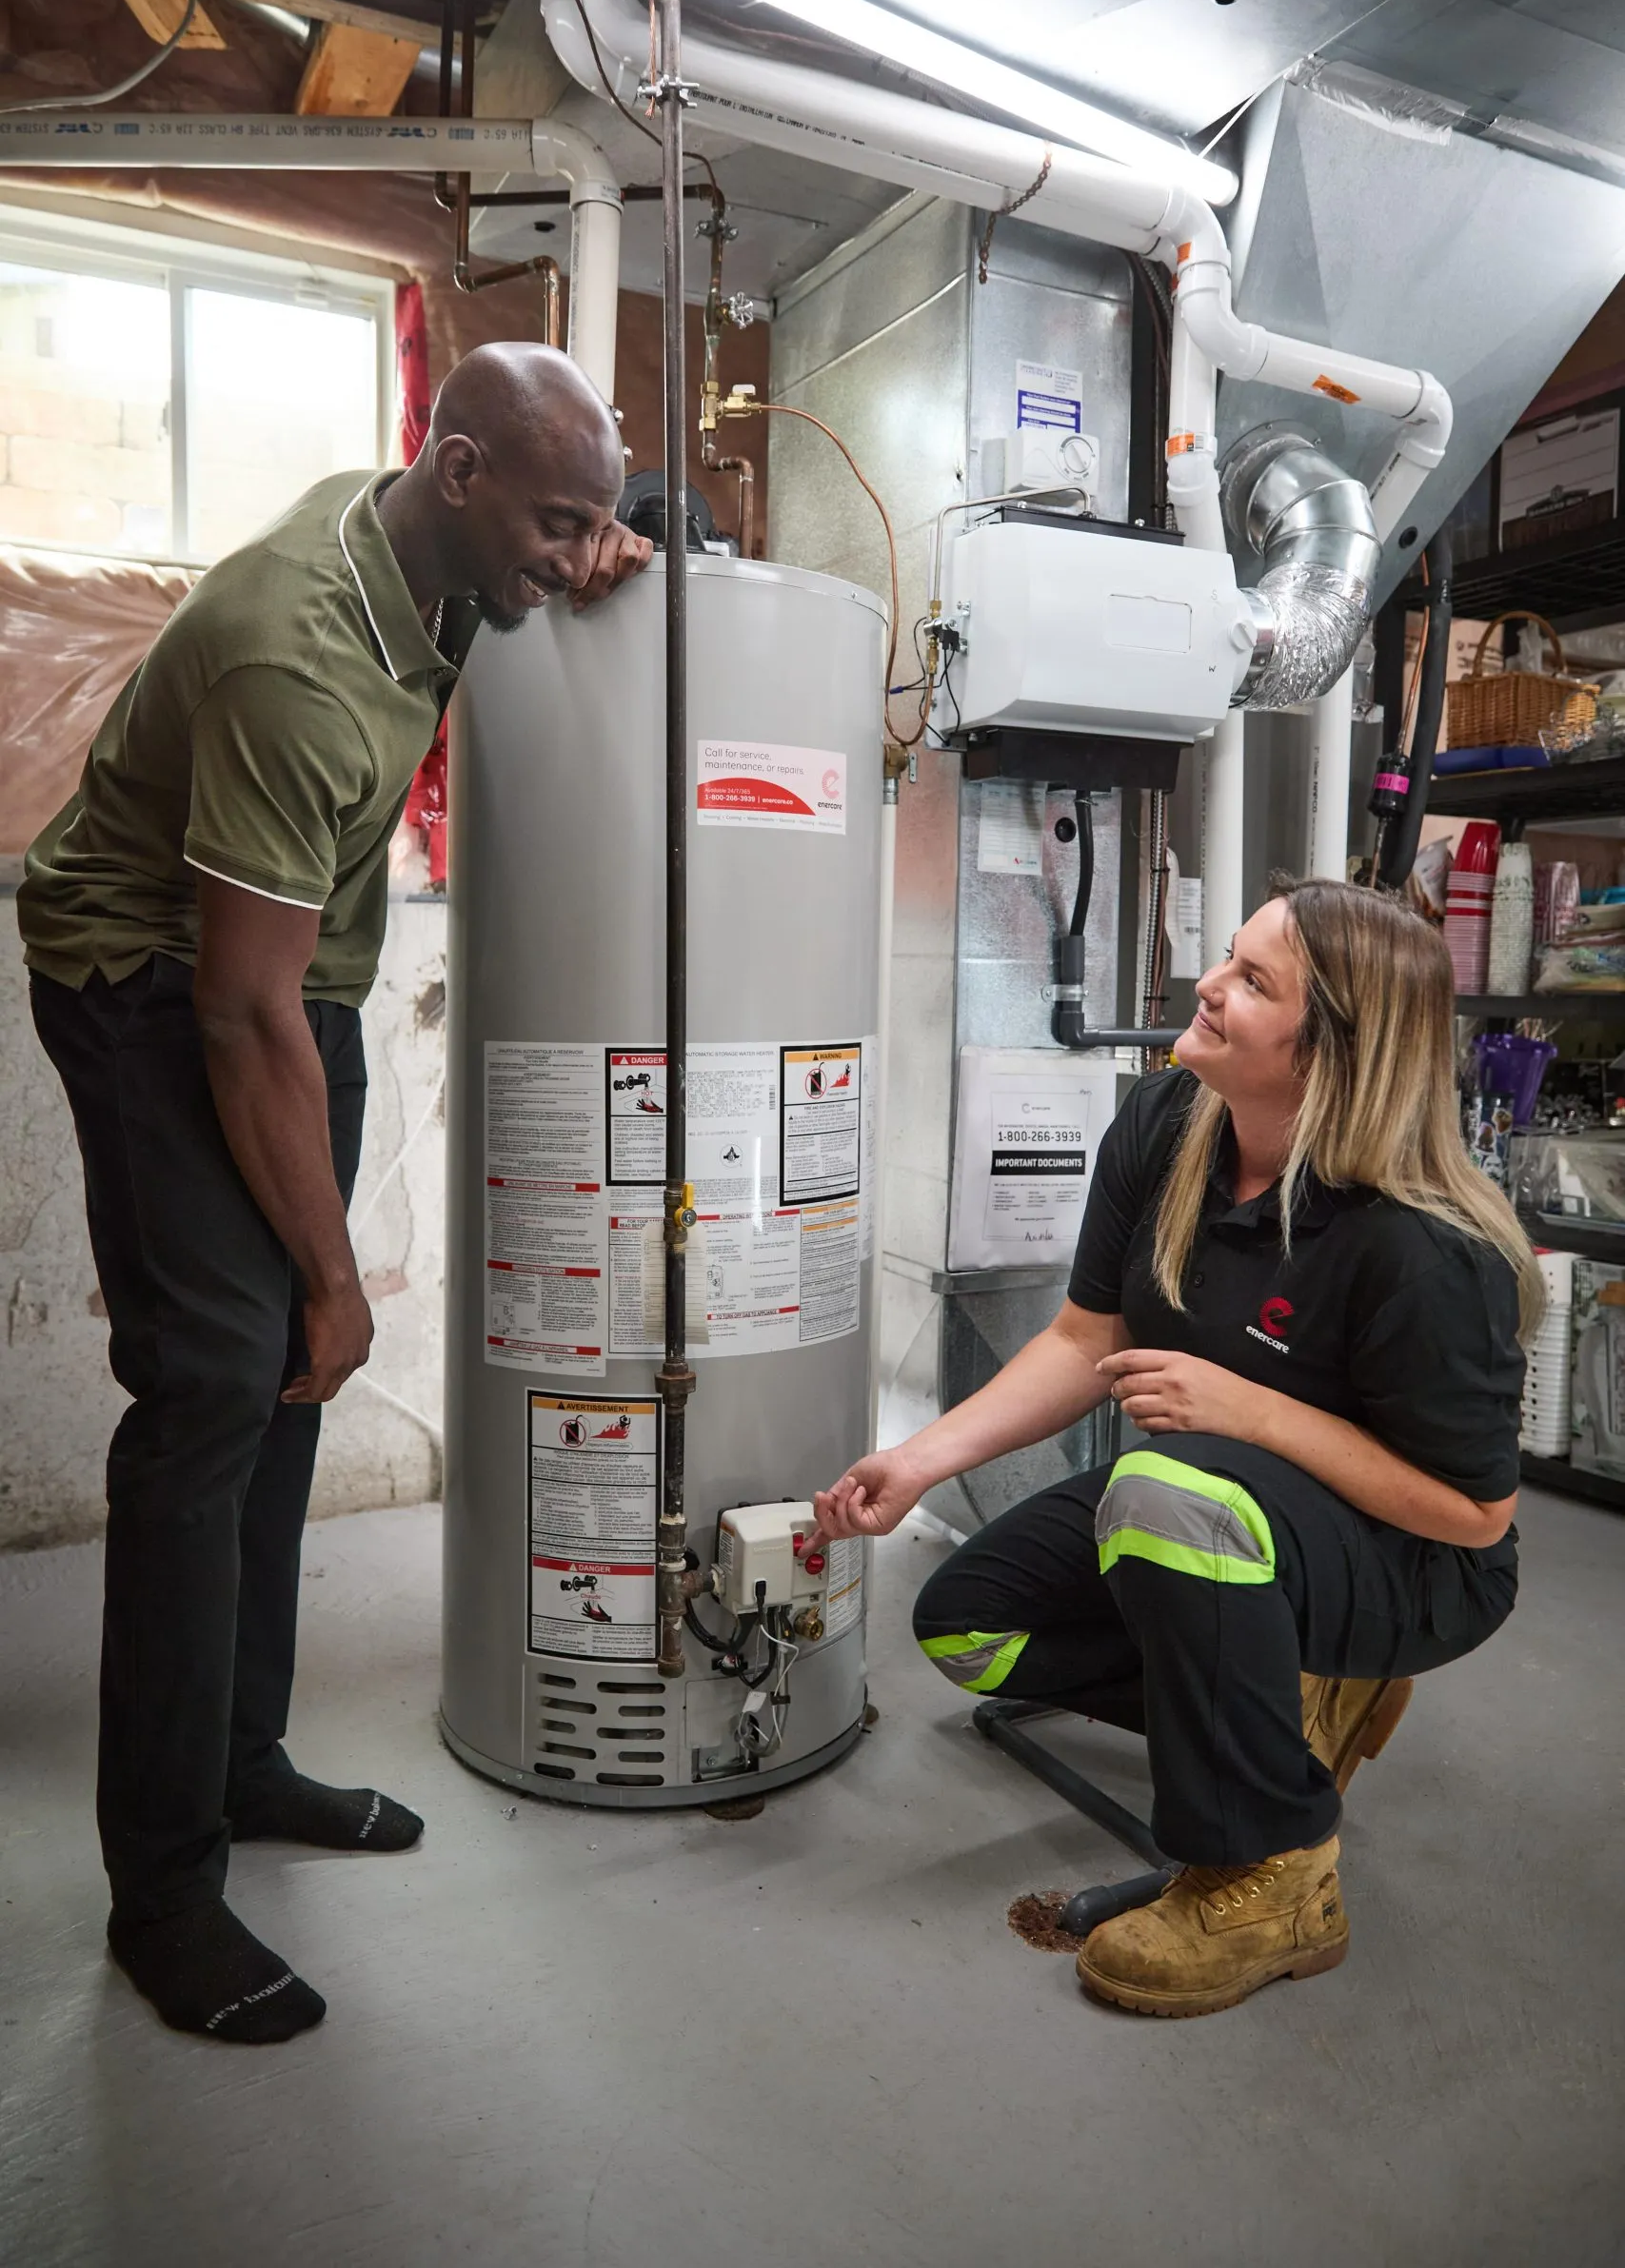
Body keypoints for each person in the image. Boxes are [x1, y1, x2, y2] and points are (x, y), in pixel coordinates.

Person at [18, 343, 651, 2045]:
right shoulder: (294, 649)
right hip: (149, 980)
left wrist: (586, 540)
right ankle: (163, 1895)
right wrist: (337, 1272)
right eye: (553, 524)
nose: (569, 557)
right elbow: (233, 1016)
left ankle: (244, 1760)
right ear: (456, 473)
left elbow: (279, 996)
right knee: (216, 1387)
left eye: (586, 524)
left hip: (298, 985)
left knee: (291, 1384)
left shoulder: (437, 555)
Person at [813, 879, 1535, 2019]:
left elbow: (1476, 1516)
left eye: (1252, 979)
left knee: (1159, 1493)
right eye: (1228, 956)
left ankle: (1271, 1872)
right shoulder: (1166, 1126)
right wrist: (919, 1461)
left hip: (1409, 1556)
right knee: (967, 1627)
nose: (1207, 984)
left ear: (1327, 1048)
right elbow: (1083, 1338)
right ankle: (1276, 1702)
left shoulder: (1420, 1246)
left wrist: (1252, 1411)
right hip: (1219, 1502)